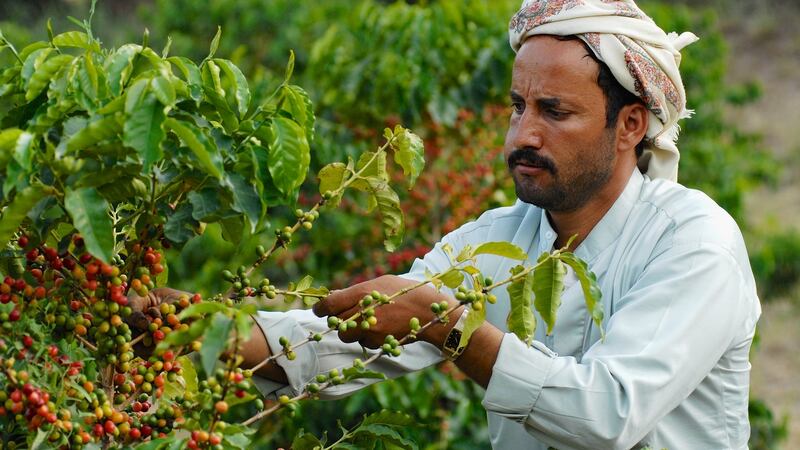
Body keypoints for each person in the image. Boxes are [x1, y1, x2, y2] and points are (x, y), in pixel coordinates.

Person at [146, 1, 761, 448]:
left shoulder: (693, 243)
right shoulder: (496, 240)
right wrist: (186, 324)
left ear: (629, 125)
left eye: (555, 111)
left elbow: (610, 414)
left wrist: (449, 325)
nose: (523, 135)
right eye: (518, 106)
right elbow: (331, 344)